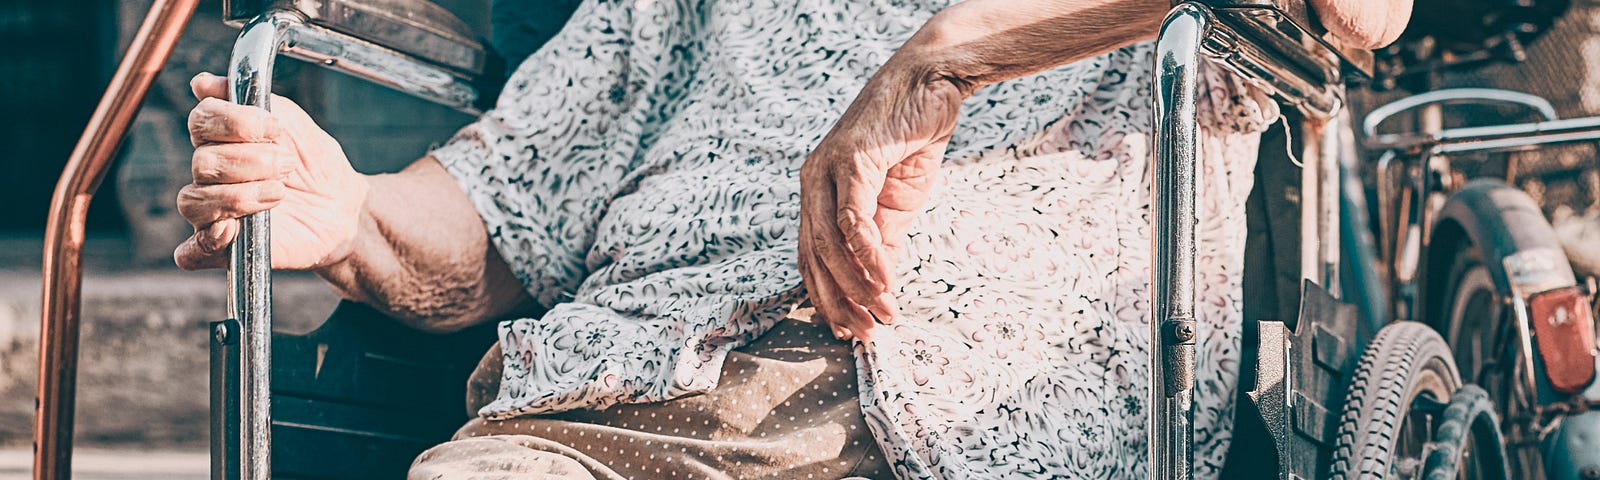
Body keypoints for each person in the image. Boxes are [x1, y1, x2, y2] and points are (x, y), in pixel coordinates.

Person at [176, 0, 1410, 477]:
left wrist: (949, 56)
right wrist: (349, 216)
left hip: (953, 432)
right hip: (611, 413)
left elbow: (1363, 7)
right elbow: (490, 221)